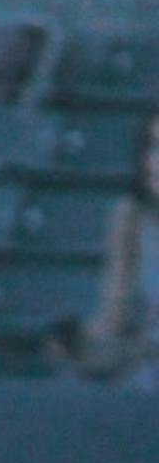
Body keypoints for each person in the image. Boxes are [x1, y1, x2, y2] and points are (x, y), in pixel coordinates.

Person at [53, 104, 159, 389]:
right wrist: (81, 343)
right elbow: (114, 312)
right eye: (151, 148)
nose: (153, 163)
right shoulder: (131, 217)